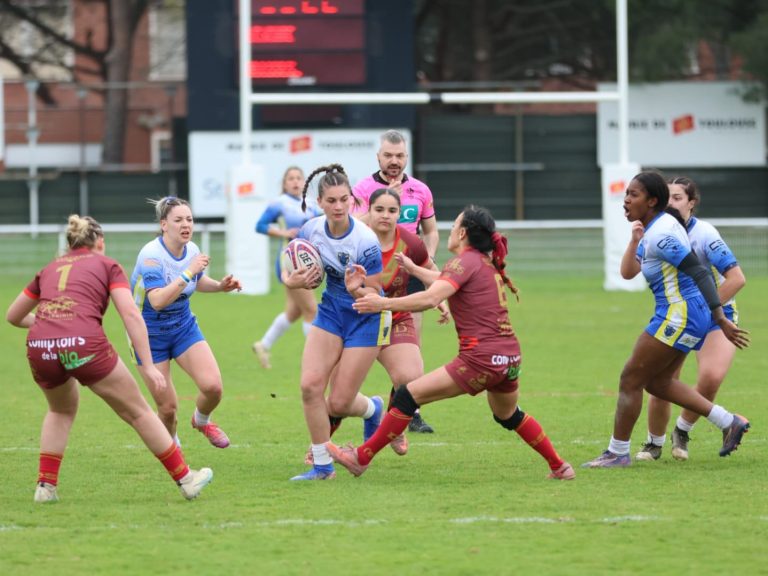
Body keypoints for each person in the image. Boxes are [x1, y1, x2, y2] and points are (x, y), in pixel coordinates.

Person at [328, 205, 575, 481]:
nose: (450, 229)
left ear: (463, 232)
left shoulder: (463, 261)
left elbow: (431, 298)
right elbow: (444, 281)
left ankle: (361, 457)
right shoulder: (481, 262)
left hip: (480, 359)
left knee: (407, 395)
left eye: (455, 223)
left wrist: (382, 303)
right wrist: (414, 270)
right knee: (508, 415)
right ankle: (559, 466)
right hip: (510, 359)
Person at [6, 215, 213, 502]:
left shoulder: (49, 268)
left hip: (40, 345)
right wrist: (149, 366)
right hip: (83, 343)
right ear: (100, 242)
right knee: (139, 411)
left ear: (69, 244)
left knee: (60, 411)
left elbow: (13, 316)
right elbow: (131, 314)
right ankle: (186, 479)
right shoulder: (107, 265)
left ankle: (45, 486)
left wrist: (50, 326)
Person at [583, 171, 750, 469]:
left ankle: (617, 452)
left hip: (680, 313)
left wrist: (720, 318)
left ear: (652, 201)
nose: (626, 200)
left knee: (630, 378)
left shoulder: (660, 234)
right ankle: (729, 421)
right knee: (658, 383)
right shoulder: (660, 226)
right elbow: (628, 272)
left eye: (633, 194)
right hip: (688, 313)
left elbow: (699, 272)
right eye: (626, 194)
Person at [284, 164, 391, 481]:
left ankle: (372, 409)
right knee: (309, 386)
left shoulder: (365, 240)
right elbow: (292, 276)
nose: (339, 206)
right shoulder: (310, 231)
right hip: (331, 311)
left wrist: (355, 286)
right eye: (332, 200)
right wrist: (297, 281)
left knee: (341, 402)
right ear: (320, 202)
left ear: (352, 201)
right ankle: (322, 467)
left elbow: (372, 290)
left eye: (345, 199)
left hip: (366, 314)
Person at [635, 176, 747, 462]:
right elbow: (629, 271)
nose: (670, 203)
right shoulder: (658, 230)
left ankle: (682, 431)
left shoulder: (705, 233)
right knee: (664, 378)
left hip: (713, 313)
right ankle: (653, 443)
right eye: (667, 197)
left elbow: (736, 279)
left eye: (677, 198)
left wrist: (709, 310)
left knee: (710, 377)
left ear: (691, 203)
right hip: (681, 313)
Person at [130, 196, 242, 449]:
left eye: (189, 219)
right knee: (168, 409)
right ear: (163, 225)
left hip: (182, 327)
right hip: (148, 336)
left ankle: (201, 421)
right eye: (178, 220)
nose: (186, 225)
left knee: (213, 387)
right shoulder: (151, 256)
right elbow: (157, 300)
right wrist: (189, 271)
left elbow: (196, 281)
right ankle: (173, 451)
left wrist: (220, 286)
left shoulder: (190, 249)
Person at [352, 129, 439, 433]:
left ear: (406, 157)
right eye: (388, 155)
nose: (394, 161)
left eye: (399, 155)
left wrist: (423, 264)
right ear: (378, 157)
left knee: (410, 349)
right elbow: (352, 227)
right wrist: (390, 201)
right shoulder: (363, 189)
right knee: (361, 349)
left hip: (408, 275)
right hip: (372, 277)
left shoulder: (421, 190)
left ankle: (405, 411)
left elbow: (430, 231)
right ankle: (353, 403)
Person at [364, 188, 448, 455]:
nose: (386, 216)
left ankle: (391, 426)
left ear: (400, 214)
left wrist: (441, 298)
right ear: (369, 210)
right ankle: (321, 445)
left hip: (395, 316)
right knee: (340, 398)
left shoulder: (411, 242)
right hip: (356, 318)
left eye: (392, 211)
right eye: (379, 209)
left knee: (410, 378)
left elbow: (430, 271)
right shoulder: (355, 237)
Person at [252, 166, 322, 369]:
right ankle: (315, 359)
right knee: (311, 310)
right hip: (289, 263)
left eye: (299, 178)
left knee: (294, 312)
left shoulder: (311, 205)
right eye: (290, 178)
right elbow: (260, 225)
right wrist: (283, 233)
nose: (295, 181)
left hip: (307, 263)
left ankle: (263, 345)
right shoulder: (279, 204)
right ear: (284, 183)